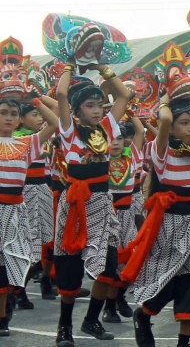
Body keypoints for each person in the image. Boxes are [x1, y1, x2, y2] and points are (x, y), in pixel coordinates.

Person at [121, 96, 190, 347]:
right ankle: (144, 314)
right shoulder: (162, 151)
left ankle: (184, 341)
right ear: (170, 128)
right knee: (169, 280)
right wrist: (166, 100)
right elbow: (167, 118)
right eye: (185, 123)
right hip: (170, 223)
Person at [53, 61, 130, 346]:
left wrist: (102, 67)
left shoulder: (108, 127)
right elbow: (62, 95)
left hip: (101, 202)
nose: (97, 110)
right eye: (89, 105)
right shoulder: (69, 131)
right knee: (70, 270)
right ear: (76, 111)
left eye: (99, 104)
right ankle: (65, 327)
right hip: (74, 205)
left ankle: (91, 320)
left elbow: (123, 96)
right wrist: (70, 65)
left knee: (109, 267)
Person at [0, 97, 59, 336]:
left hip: (14, 211)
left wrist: (33, 98)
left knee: (10, 263)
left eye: (14, 113)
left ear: (20, 119)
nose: (9, 117)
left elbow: (54, 122)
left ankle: (4, 312)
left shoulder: (26, 144)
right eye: (3, 112)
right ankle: (3, 316)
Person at [14, 97, 58, 305]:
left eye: (40, 114)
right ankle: (19, 289)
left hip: (43, 189)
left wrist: (36, 98)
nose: (40, 118)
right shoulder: (16, 139)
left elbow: (56, 111)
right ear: (21, 119)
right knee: (26, 240)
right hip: (25, 191)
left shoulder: (40, 136)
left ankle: (46, 279)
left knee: (48, 239)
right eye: (34, 115)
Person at [101, 115, 144, 323]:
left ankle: (118, 297)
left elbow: (141, 132)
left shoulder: (132, 156)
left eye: (119, 139)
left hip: (127, 215)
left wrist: (131, 110)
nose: (115, 143)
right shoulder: (101, 158)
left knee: (131, 261)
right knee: (111, 262)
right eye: (111, 139)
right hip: (108, 215)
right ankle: (109, 306)